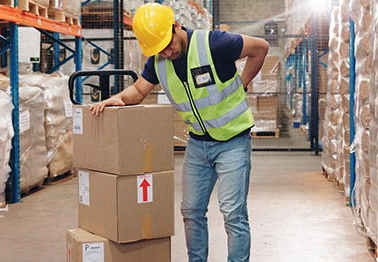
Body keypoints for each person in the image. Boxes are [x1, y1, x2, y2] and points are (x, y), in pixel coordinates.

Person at [90, 3, 268, 262]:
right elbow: (140, 91)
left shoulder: (214, 44)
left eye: (168, 44)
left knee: (232, 213)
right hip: (197, 144)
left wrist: (243, 83)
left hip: (233, 141)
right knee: (192, 211)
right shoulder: (159, 61)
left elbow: (260, 48)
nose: (167, 52)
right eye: (159, 49)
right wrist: (116, 98)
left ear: (176, 27)